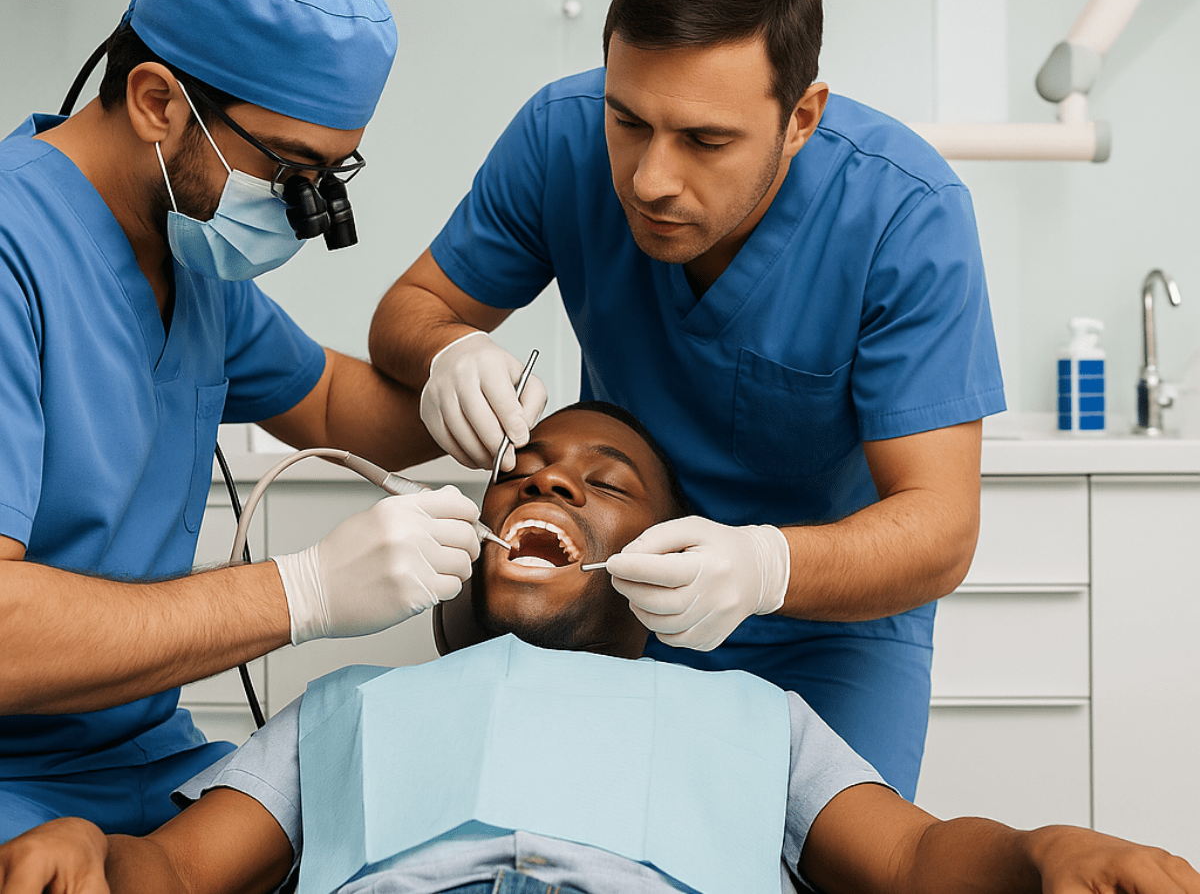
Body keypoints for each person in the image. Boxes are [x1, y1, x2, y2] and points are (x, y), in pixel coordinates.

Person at [1, 402, 1195, 894]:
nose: (548, 483)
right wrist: (88, 854)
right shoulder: (344, 708)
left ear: (667, 561)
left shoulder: (755, 719)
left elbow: (922, 861)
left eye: (601, 484)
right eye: (521, 476)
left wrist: (1045, 854)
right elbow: (174, 874)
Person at [366, 0, 1005, 800]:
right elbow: (409, 310)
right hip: (617, 605)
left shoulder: (903, 213)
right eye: (628, 121)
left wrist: (766, 567)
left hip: (825, 623)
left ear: (800, 117)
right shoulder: (560, 138)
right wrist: (447, 351)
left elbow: (940, 529)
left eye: (706, 140)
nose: (648, 179)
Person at [0, 0, 483, 843]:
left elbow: (336, 404)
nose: (307, 208)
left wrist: (454, 376)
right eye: (289, 171)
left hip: (147, 756)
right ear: (157, 101)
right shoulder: (16, 252)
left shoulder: (189, 262)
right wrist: (302, 592)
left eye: (330, 177)